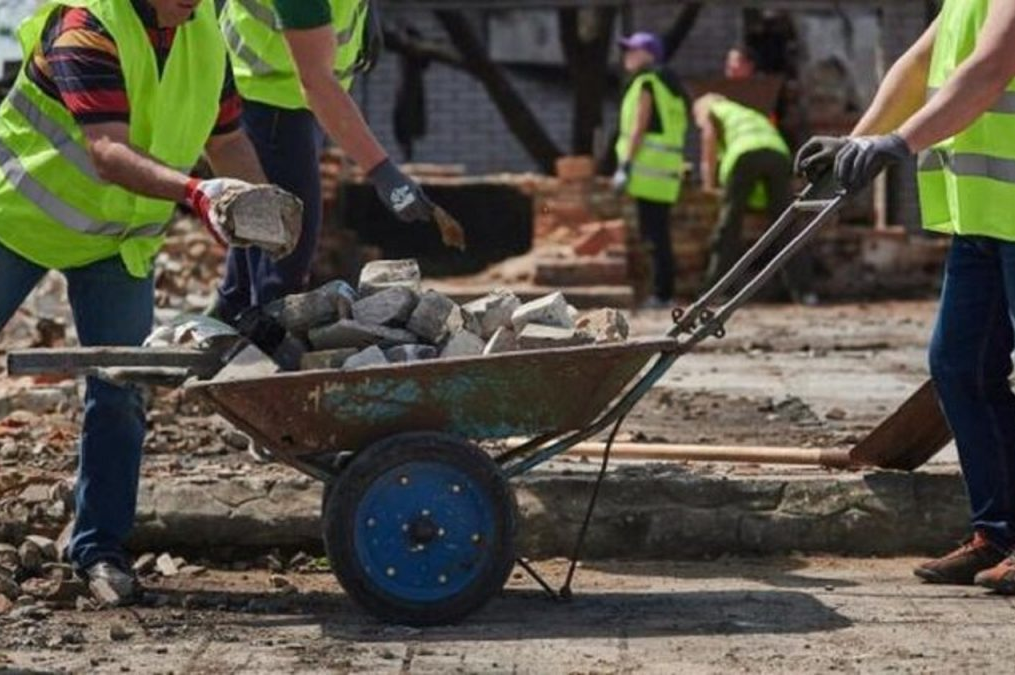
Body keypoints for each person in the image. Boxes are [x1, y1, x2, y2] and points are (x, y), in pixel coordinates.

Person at [0, 0, 278, 605]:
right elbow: (108, 152)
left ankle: (99, 550)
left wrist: (264, 208)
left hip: (117, 244)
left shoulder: (203, 33)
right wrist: (198, 193)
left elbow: (227, 139)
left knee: (121, 392)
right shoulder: (86, 26)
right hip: (14, 223)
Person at [796, 0, 1015, 592]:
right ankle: (999, 533)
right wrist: (857, 141)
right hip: (986, 219)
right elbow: (918, 65)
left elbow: (992, 67)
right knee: (958, 366)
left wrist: (900, 142)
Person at [214, 0, 435, 322]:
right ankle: (266, 344)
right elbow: (317, 82)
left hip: (291, 95)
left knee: (263, 229)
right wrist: (382, 170)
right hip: (270, 98)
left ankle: (230, 318)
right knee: (288, 239)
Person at [694, 93, 815, 302]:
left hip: (744, 156)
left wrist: (708, 184)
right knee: (785, 224)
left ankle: (715, 289)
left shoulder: (712, 111)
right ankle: (804, 292)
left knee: (729, 225)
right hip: (778, 154)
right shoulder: (747, 112)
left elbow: (709, 142)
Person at [612, 32, 688, 308]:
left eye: (633, 50)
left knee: (654, 235)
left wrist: (625, 164)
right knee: (659, 233)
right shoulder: (671, 86)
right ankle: (662, 292)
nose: (627, 56)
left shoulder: (646, 82)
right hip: (665, 172)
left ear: (650, 55)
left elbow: (639, 127)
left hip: (647, 171)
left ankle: (662, 294)